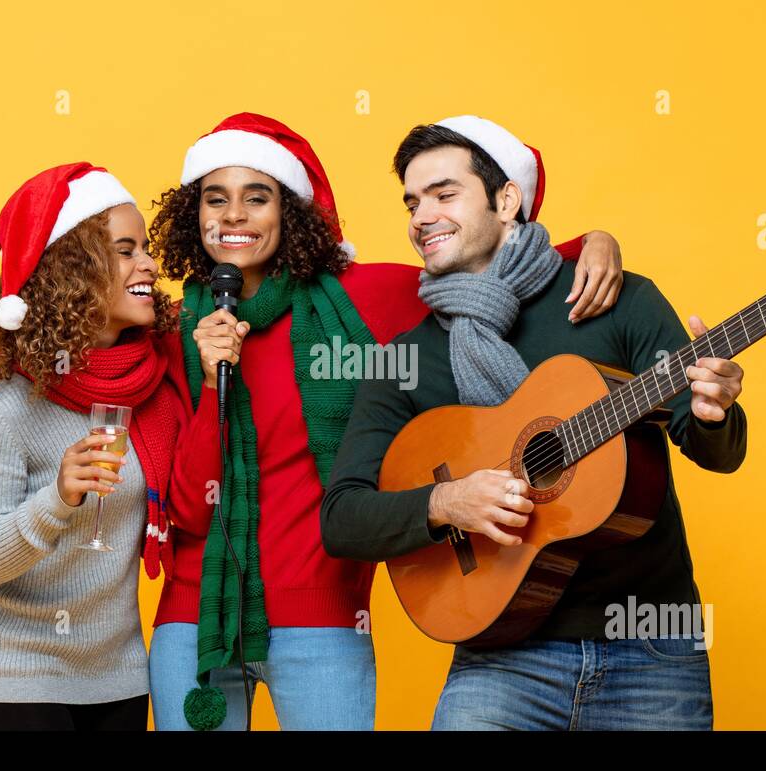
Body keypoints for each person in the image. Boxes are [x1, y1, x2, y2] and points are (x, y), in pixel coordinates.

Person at [145, 113, 626, 730]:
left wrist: (595, 242)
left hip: (323, 620)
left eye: (256, 197)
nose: (234, 215)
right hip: (195, 623)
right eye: (217, 199)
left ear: (287, 211)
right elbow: (186, 507)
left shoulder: (362, 298)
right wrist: (213, 380)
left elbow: (497, 262)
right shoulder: (170, 331)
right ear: (195, 214)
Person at [320, 117, 748, 731]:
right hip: (499, 660)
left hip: (654, 653)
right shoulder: (405, 362)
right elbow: (343, 518)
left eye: (445, 194)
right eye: (413, 202)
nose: (421, 216)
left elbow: (716, 451)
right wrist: (447, 501)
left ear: (506, 200)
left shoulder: (611, 297)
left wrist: (714, 412)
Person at [0, 162, 191, 731]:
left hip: (120, 679)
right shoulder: (5, 404)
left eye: (147, 249)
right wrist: (58, 499)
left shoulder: (154, 385)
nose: (150, 266)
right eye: (126, 251)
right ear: (74, 273)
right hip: (17, 680)